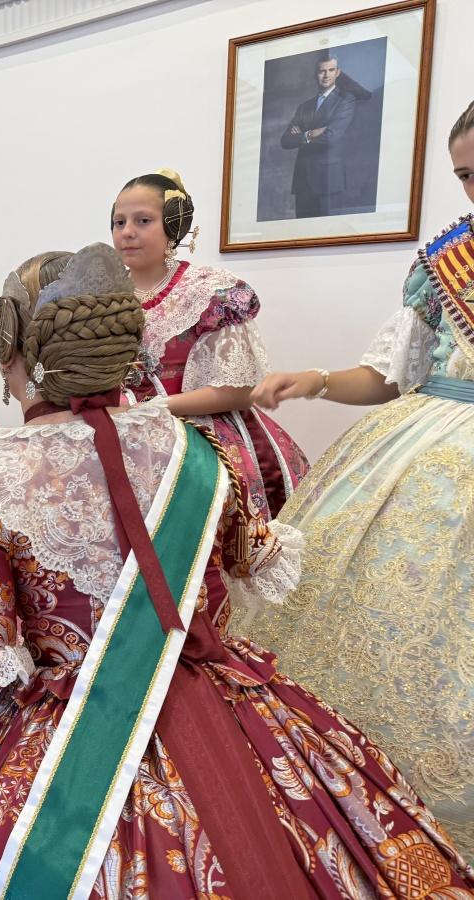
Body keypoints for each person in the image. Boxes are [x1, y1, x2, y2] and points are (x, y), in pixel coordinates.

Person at [0, 243, 473, 899]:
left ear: (20, 353)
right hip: (230, 709)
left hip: (68, 744)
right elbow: (254, 564)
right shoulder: (198, 448)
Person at [245, 100, 474, 858]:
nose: (473, 191)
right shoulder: (447, 263)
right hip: (412, 460)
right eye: (466, 177)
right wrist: (310, 379)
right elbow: (387, 374)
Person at [111, 168, 308, 521]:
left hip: (208, 443)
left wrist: (150, 408)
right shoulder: (103, 297)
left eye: (143, 220)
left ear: (174, 226)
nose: (127, 232)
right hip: (125, 439)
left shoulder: (209, 292)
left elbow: (239, 390)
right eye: (119, 221)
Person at [280, 55, 357, 218]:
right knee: (302, 236)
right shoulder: (304, 106)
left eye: (331, 70)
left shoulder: (345, 100)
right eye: (322, 71)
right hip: (303, 182)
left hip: (328, 180)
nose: (326, 75)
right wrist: (309, 134)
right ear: (316, 74)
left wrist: (300, 136)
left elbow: (331, 137)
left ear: (338, 73)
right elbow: (286, 140)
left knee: (328, 235)